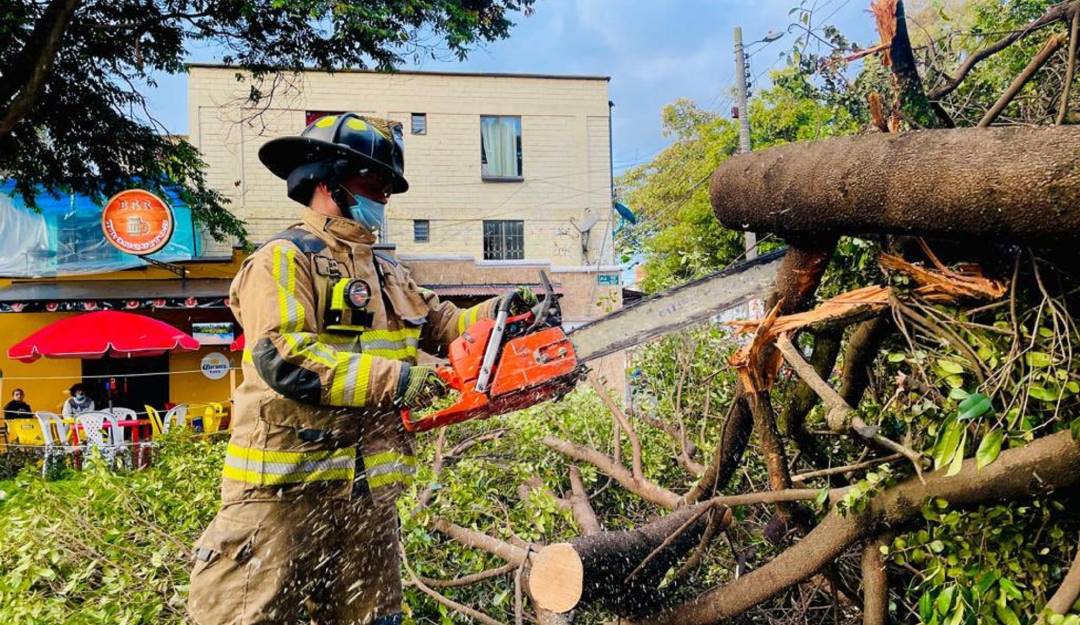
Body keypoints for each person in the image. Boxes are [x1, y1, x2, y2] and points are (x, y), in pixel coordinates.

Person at [188, 113, 536, 625]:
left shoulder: (388, 270)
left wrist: (503, 311)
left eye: (390, 185)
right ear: (328, 182)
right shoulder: (284, 260)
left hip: (368, 499)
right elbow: (285, 354)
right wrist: (398, 381)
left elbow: (449, 325)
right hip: (282, 498)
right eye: (375, 181)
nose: (386, 196)